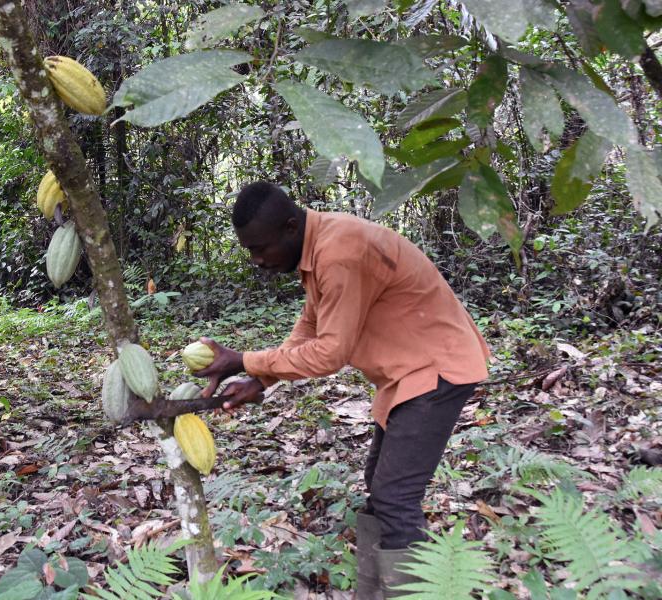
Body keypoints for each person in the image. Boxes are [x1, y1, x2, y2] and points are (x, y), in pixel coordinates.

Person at [196, 181, 489, 599]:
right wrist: (259, 379)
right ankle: (373, 593)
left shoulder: (339, 252)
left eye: (260, 248)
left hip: (436, 371)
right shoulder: (322, 243)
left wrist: (244, 360)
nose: (257, 260)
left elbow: (330, 354)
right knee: (381, 486)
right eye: (250, 251)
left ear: (291, 227)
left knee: (394, 497)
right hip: (407, 375)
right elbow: (312, 326)